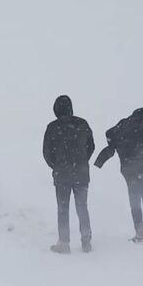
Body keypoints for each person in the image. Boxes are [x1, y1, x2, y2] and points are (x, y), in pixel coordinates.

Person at [94, 108, 143, 243]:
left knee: (135, 203)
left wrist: (102, 158)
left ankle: (140, 234)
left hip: (131, 170)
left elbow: (110, 133)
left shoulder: (126, 124)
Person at [43, 95, 95, 253]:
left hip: (62, 175)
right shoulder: (82, 124)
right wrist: (81, 161)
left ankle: (64, 243)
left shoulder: (52, 127)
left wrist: (57, 166)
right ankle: (86, 240)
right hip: (81, 174)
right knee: (82, 207)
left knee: (63, 208)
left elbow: (47, 152)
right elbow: (91, 147)